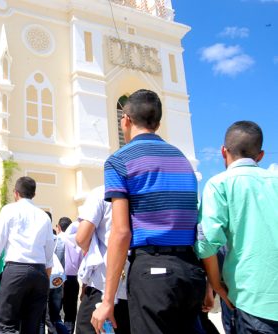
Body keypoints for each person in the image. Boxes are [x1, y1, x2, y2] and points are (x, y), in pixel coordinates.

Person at [92, 89, 205, 333]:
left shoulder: (119, 160)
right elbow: (197, 225)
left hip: (153, 273)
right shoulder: (182, 160)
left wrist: (108, 300)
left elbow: (121, 232)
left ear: (126, 119)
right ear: (158, 123)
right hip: (190, 271)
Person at [195, 121, 278, 333]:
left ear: (223, 151)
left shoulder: (219, 184)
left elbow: (207, 244)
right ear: (260, 156)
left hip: (251, 300)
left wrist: (217, 286)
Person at [0, 176, 54, 334]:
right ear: (34, 194)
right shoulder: (44, 216)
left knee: (7, 325)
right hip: (39, 272)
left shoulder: (9, 210)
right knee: (32, 327)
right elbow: (49, 256)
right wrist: (44, 280)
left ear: (16, 193)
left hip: (15, 270)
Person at [75, 186, 129, 334]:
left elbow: (81, 238)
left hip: (103, 282)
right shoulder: (144, 190)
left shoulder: (101, 192)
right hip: (138, 285)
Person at [58, 218, 83, 334]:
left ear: (59, 227)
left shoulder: (58, 239)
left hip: (57, 278)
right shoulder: (79, 242)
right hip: (73, 279)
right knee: (70, 313)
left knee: (54, 312)